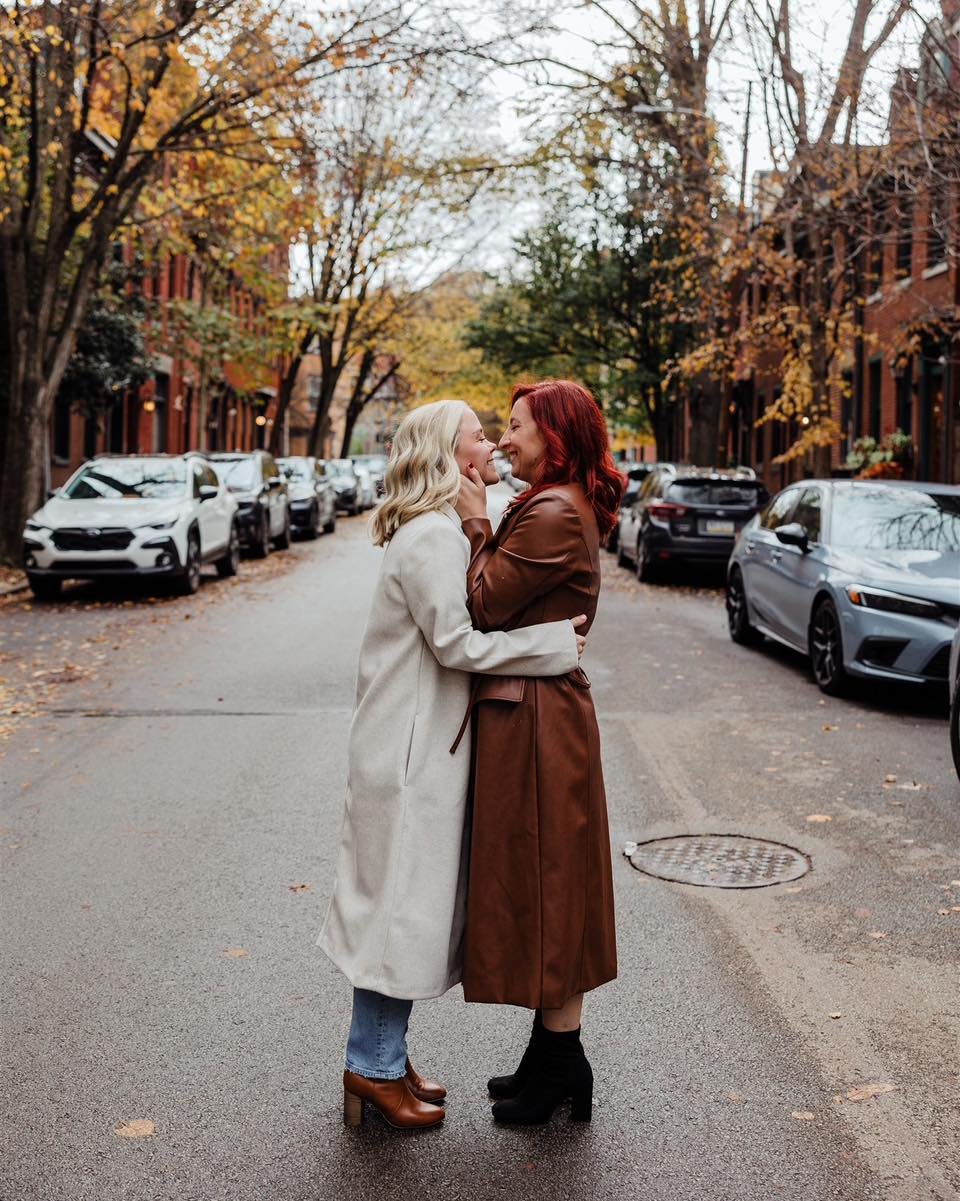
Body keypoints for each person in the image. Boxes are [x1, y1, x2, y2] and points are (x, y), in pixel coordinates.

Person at [317, 399, 588, 1131]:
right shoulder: (431, 537)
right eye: (479, 433)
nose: (493, 439)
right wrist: (554, 645)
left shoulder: (433, 528)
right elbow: (458, 645)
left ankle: (384, 1055)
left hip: (409, 746)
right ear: (454, 453)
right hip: (406, 757)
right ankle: (371, 1066)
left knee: (396, 909)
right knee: (393, 915)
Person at [454, 379, 623, 1126]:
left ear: (552, 437)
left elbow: (486, 602)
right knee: (555, 883)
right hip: (540, 712)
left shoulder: (552, 511)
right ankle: (551, 1055)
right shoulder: (554, 502)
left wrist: (472, 524)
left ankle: (561, 1063)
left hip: (540, 722)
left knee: (554, 884)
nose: (502, 438)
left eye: (516, 425)